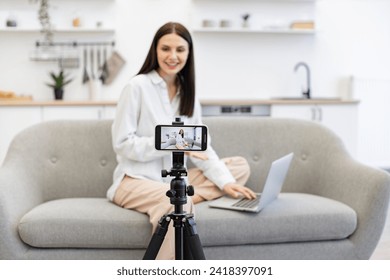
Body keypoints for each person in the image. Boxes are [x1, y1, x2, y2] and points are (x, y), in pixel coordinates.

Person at [107, 22, 256, 260]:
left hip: (174, 179)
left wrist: (226, 182)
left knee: (238, 167)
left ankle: (183, 196)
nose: (173, 56)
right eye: (166, 49)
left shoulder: (188, 92)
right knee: (178, 206)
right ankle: (181, 201)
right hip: (135, 179)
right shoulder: (137, 87)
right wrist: (172, 143)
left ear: (189, 53)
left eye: (180, 50)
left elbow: (200, 145)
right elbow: (123, 143)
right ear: (155, 50)